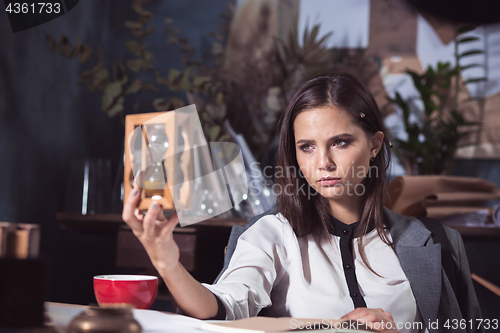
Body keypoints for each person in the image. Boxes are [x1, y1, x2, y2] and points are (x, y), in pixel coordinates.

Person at [122, 73, 483, 333]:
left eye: (340, 142)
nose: (323, 162)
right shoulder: (271, 234)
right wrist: (166, 262)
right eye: (306, 146)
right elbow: (220, 309)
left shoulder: (435, 241)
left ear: (374, 145)